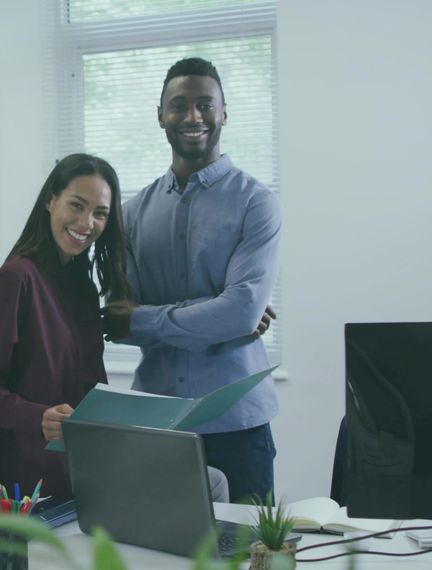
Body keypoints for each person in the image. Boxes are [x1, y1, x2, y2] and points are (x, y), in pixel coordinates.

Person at [0, 153, 228, 503]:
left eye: (100, 213)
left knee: (210, 481)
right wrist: (37, 417)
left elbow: (87, 387)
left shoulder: (83, 286)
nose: (86, 222)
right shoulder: (17, 280)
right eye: (76, 205)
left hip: (86, 463)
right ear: (50, 201)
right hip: (29, 476)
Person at [104, 57, 282, 504]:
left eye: (205, 104)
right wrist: (216, 315)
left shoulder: (256, 204)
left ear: (224, 113)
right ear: (160, 115)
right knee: (159, 555)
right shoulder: (130, 214)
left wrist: (145, 320)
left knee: (246, 557)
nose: (192, 116)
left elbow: (240, 310)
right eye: (178, 105)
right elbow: (114, 319)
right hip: (158, 424)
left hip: (239, 427)